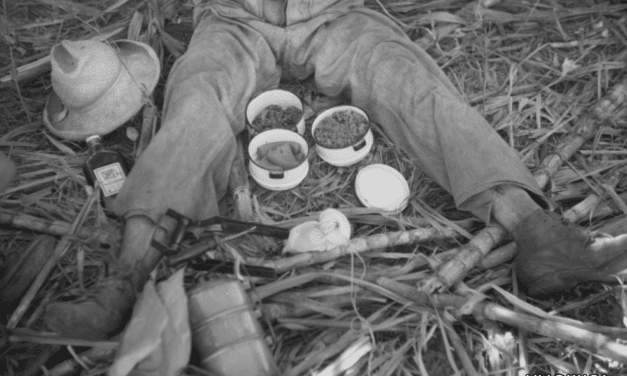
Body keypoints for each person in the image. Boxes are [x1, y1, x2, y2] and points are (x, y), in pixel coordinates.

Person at [43, 0, 627, 340]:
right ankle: (127, 275)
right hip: (235, 20)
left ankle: (532, 227)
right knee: (195, 106)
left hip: (334, 14)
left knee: (413, 86)